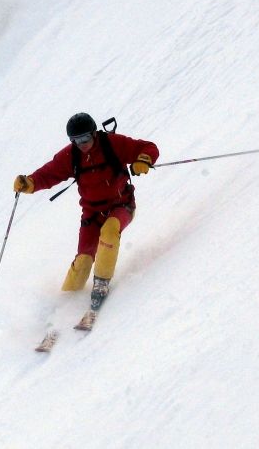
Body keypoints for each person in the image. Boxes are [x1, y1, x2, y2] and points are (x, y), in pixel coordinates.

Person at [13, 113, 159, 312]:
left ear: (94, 134)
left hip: (121, 205)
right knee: (83, 260)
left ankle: (101, 285)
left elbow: (148, 147)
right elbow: (49, 173)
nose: (81, 144)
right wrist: (29, 183)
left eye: (85, 139)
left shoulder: (112, 144)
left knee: (110, 231)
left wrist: (143, 160)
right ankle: (64, 305)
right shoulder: (71, 155)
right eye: (76, 140)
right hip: (92, 214)